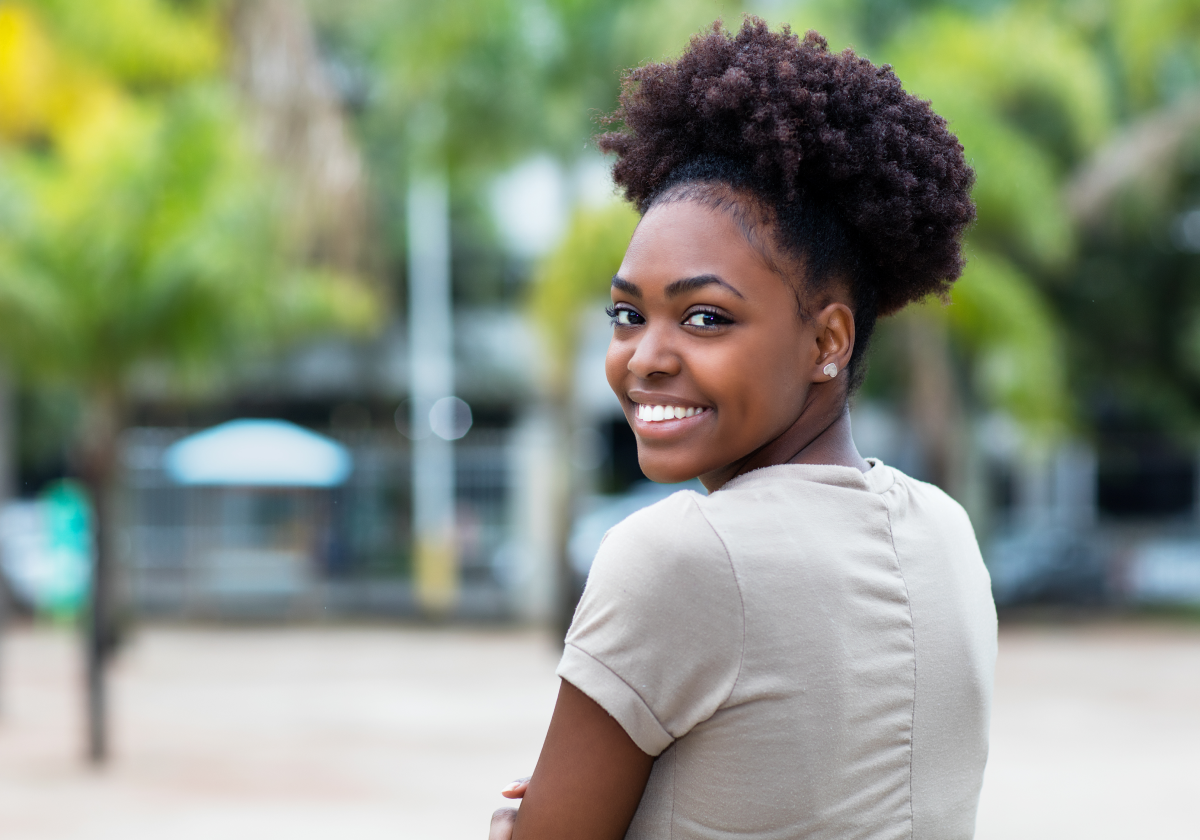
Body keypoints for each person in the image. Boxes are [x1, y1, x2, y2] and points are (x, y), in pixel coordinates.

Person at [491, 17, 996, 840]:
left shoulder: (680, 556)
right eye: (627, 313)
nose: (644, 358)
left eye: (705, 317)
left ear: (827, 340)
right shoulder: (944, 529)